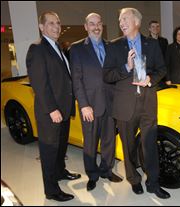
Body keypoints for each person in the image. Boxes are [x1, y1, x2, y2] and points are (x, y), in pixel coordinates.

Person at [103, 7, 170, 199]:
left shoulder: (152, 44)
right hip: (125, 105)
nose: (121, 22)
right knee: (129, 146)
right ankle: (134, 179)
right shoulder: (114, 46)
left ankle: (153, 183)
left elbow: (162, 69)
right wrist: (127, 67)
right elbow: (107, 75)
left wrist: (150, 79)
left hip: (148, 102)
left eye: (125, 18)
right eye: (119, 19)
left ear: (137, 22)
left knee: (150, 145)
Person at [26, 11, 80, 202]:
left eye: (58, 23)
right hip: (51, 113)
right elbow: (39, 83)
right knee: (49, 152)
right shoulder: (38, 49)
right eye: (51, 23)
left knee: (60, 147)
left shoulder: (57, 46)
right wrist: (51, 109)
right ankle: (51, 190)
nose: (56, 26)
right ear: (41, 27)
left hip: (63, 109)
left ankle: (60, 172)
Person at [69, 13, 122, 192]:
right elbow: (76, 80)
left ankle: (106, 170)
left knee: (109, 140)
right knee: (90, 143)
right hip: (90, 105)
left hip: (110, 103)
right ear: (86, 26)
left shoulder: (110, 46)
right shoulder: (77, 49)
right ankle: (92, 175)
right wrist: (83, 105)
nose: (96, 27)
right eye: (92, 24)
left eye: (99, 23)